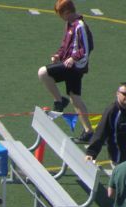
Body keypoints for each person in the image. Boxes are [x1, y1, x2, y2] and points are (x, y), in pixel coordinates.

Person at [37, 0, 94, 142]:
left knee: (43, 73)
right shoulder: (69, 24)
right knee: (75, 98)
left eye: (61, 15)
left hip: (75, 67)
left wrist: (73, 59)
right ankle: (89, 132)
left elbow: (86, 49)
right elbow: (65, 45)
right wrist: (58, 55)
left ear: (67, 12)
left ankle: (60, 100)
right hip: (70, 64)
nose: (61, 18)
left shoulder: (80, 26)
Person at [85, 82, 126, 165]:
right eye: (125, 94)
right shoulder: (112, 112)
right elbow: (100, 133)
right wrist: (91, 153)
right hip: (118, 158)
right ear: (117, 94)